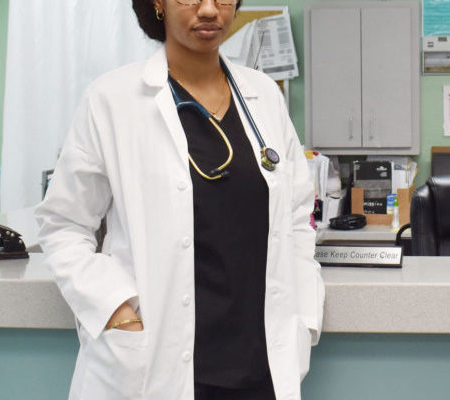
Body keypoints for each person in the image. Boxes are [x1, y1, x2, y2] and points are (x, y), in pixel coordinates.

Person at [34, 0, 324, 398]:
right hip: (159, 364)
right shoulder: (112, 100)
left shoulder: (264, 97)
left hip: (262, 366)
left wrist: (304, 316)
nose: (209, 10)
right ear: (158, 3)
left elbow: (297, 217)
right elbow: (64, 225)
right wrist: (116, 309)